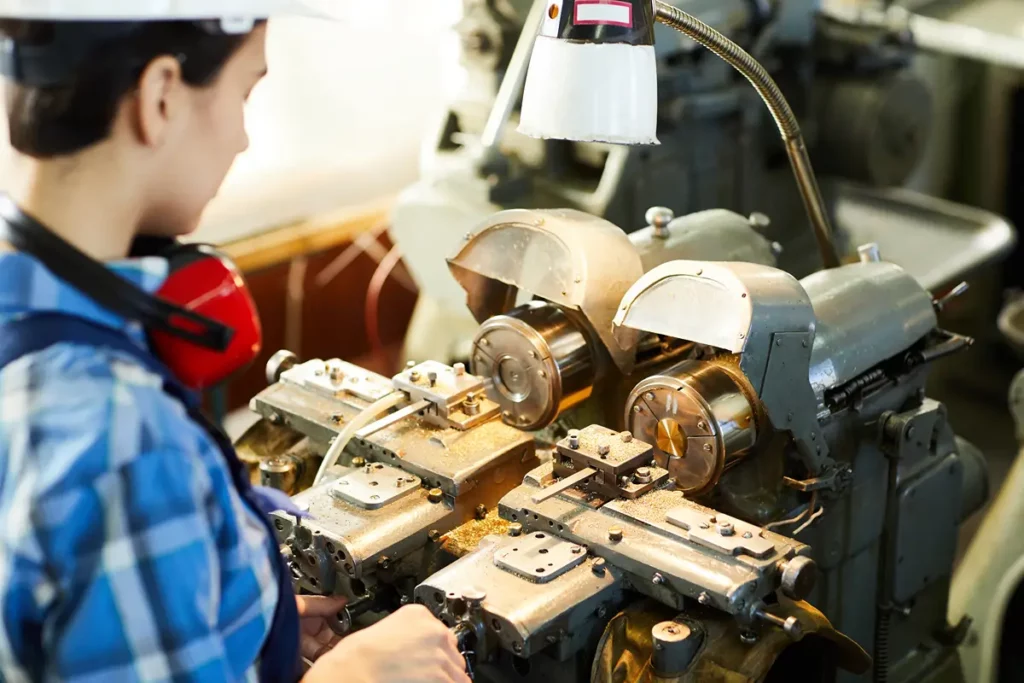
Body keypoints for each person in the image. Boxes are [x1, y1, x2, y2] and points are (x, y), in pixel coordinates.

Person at [0, 5, 471, 682]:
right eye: (245, 91)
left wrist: (253, 615)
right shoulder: (122, 437)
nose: (245, 138)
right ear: (161, 95)